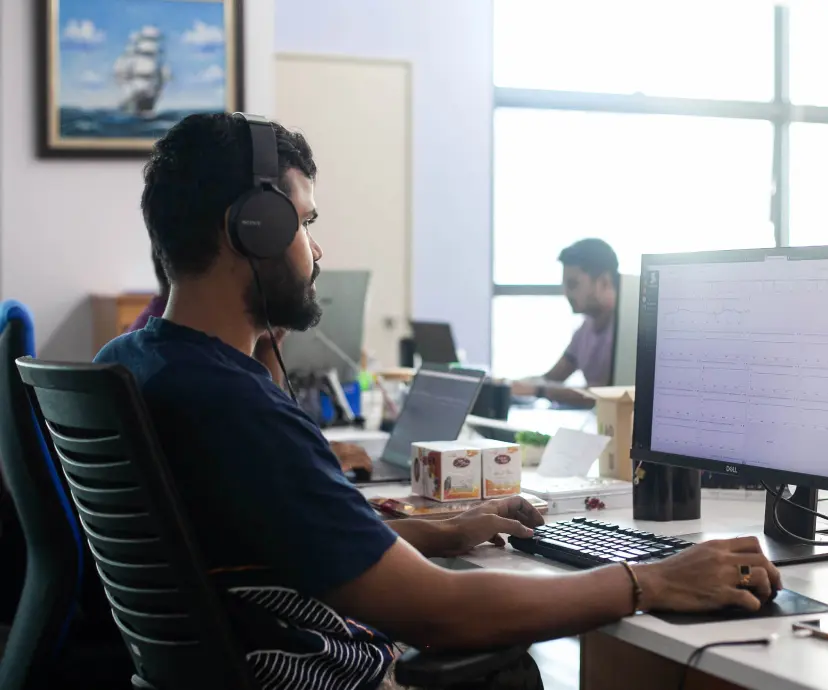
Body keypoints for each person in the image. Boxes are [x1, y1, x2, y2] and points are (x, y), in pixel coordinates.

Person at [95, 113, 781, 690]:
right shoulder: (234, 406)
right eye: (304, 223)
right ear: (253, 231)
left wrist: (448, 530)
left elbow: (282, 538)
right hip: (302, 670)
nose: (318, 247)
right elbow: (440, 612)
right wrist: (651, 580)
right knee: (506, 668)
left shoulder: (133, 363)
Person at [126, 245, 371, 475]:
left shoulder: (135, 350)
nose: (315, 250)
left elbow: (265, 447)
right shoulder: (209, 380)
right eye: (303, 224)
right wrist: (313, 462)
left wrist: (268, 350)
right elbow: (264, 441)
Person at [512, 238, 619, 406]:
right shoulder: (585, 330)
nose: (566, 293)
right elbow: (552, 377)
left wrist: (539, 391)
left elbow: (605, 395)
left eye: (573, 284)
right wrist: (508, 384)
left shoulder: (626, 331)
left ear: (604, 282)